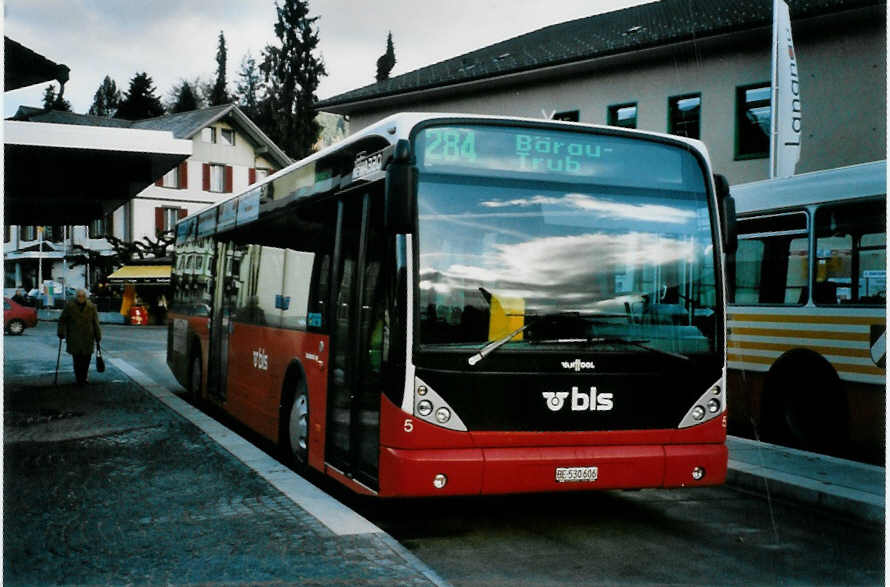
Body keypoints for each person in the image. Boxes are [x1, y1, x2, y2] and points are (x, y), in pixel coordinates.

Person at [57, 289, 102, 385]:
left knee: (86, 359)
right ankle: (79, 378)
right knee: (77, 359)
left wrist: (98, 335)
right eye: (79, 296)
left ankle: (84, 377)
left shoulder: (91, 307)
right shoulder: (70, 306)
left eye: (82, 296)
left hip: (88, 337)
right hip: (74, 337)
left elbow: (95, 322)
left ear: (86, 297)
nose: (81, 298)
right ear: (76, 297)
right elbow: (62, 320)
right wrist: (61, 332)